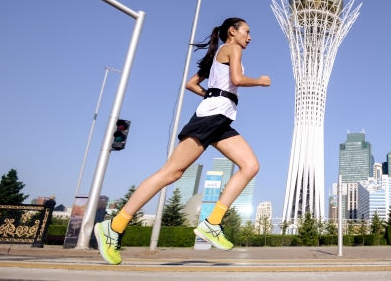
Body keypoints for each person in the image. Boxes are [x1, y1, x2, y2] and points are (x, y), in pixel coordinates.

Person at [94, 17, 270, 265]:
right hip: (211, 118)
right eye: (247, 31)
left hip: (220, 120)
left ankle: (212, 223)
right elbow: (238, 80)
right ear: (233, 31)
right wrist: (260, 81)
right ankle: (114, 227)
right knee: (171, 173)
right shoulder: (233, 48)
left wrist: (212, 94)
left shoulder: (218, 55)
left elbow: (191, 84)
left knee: (250, 166)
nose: (249, 37)